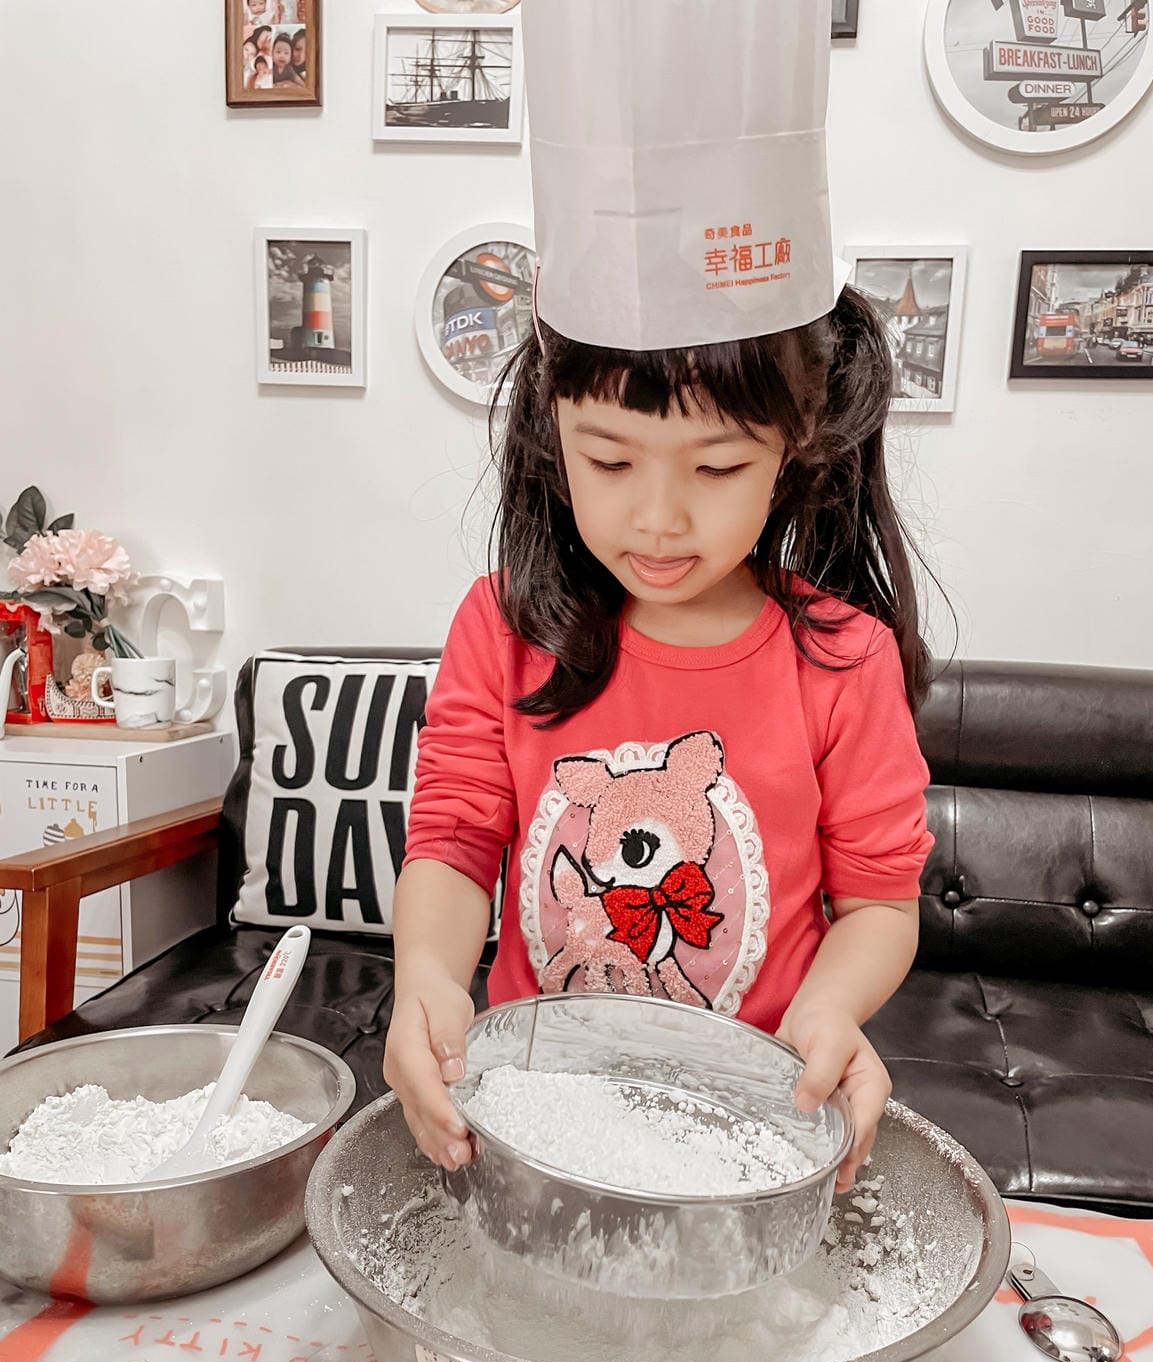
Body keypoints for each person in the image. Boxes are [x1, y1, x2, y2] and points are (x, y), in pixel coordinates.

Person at [385, 0, 935, 1195]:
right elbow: (456, 832)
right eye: (611, 459)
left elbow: (882, 900)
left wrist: (834, 1009)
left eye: (719, 467)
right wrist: (426, 973)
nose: (660, 518)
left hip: (749, 1125)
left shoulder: (842, 659)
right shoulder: (507, 627)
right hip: (534, 1122)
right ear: (552, 436)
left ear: (796, 448)